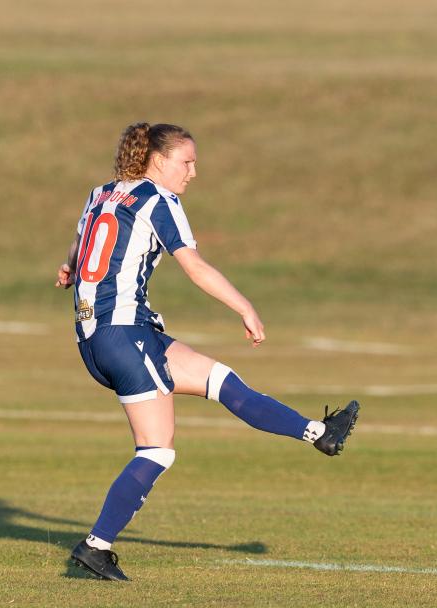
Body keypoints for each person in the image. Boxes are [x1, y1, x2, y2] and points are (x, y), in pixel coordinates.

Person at [55, 122, 359, 581]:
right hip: (123, 334)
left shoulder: (101, 194)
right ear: (158, 161)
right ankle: (96, 546)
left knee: (221, 380)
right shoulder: (159, 200)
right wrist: (244, 306)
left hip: (106, 333)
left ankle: (320, 433)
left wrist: (68, 271)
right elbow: (193, 266)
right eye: (187, 161)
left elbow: (79, 258)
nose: (193, 172)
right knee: (157, 451)